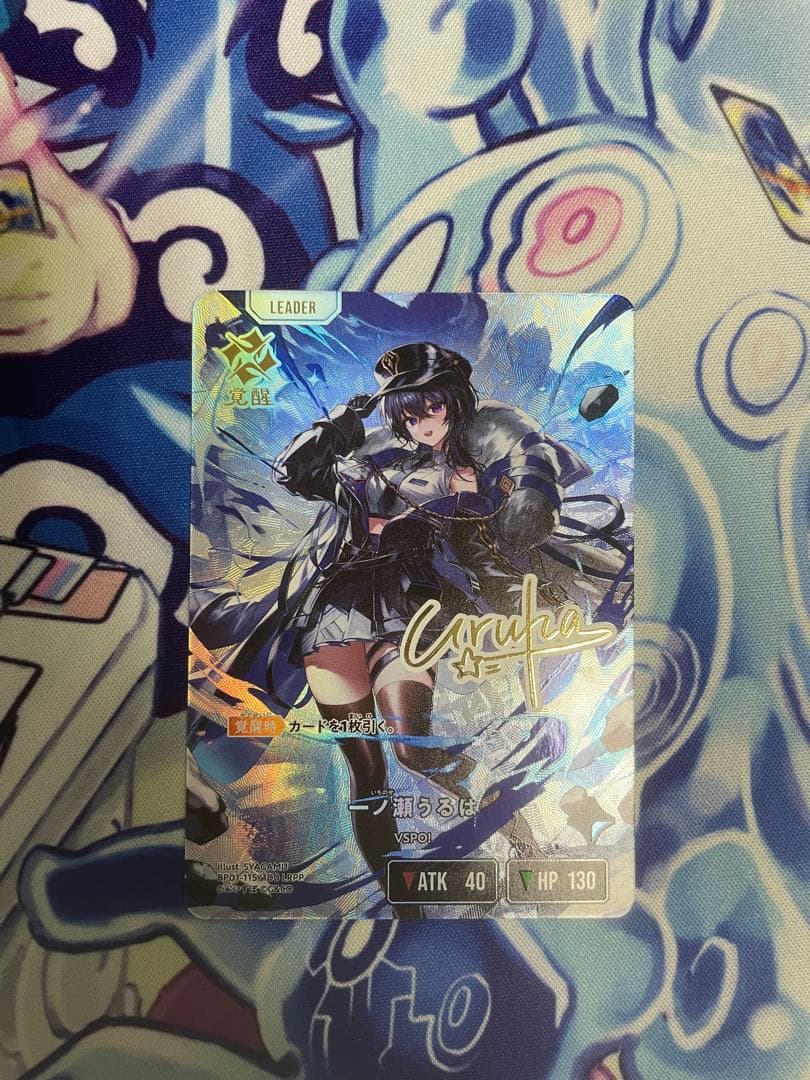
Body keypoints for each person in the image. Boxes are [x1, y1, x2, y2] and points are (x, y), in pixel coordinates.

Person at [192, 341, 632, 916]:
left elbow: (525, 452)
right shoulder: (367, 461)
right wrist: (343, 422)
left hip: (404, 613)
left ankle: (525, 843)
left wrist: (528, 492)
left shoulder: (467, 457)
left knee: (413, 749)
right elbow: (293, 470)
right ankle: (404, 904)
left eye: (430, 408)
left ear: (452, 403)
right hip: (334, 619)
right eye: (406, 413)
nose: (420, 422)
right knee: (366, 768)